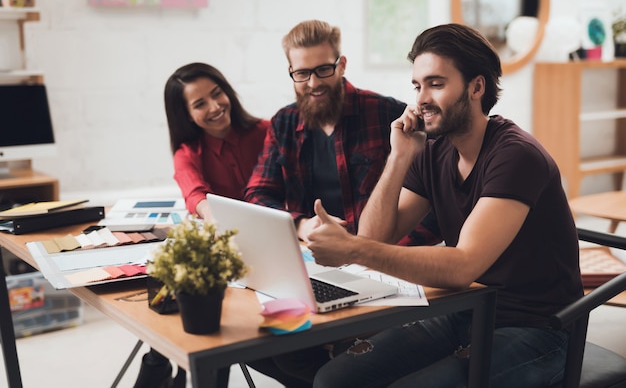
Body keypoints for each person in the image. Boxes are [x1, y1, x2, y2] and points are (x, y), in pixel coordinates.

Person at [306, 23, 583, 388]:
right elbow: (375, 237)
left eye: (435, 84)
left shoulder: (516, 155)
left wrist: (354, 248)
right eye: (417, 86)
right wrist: (399, 157)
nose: (421, 99)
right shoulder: (433, 150)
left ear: (476, 87)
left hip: (538, 328)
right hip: (466, 311)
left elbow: (461, 267)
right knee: (334, 379)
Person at [243, 19, 441, 386]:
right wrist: (302, 224)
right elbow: (258, 194)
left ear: (342, 64)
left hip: (382, 266)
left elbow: (431, 209)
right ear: (291, 72)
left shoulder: (387, 115)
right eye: (302, 74)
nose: (313, 83)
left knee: (331, 362)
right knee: (266, 345)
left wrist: (382, 258)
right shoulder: (284, 123)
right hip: (315, 261)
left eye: (323, 70)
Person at [133, 62, 270, 388]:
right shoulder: (188, 152)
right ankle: (164, 361)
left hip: (267, 247)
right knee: (188, 296)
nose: (215, 107)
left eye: (217, 94)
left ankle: (169, 367)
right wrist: (215, 219)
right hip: (221, 246)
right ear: (186, 114)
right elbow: (195, 194)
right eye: (200, 104)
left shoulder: (266, 132)